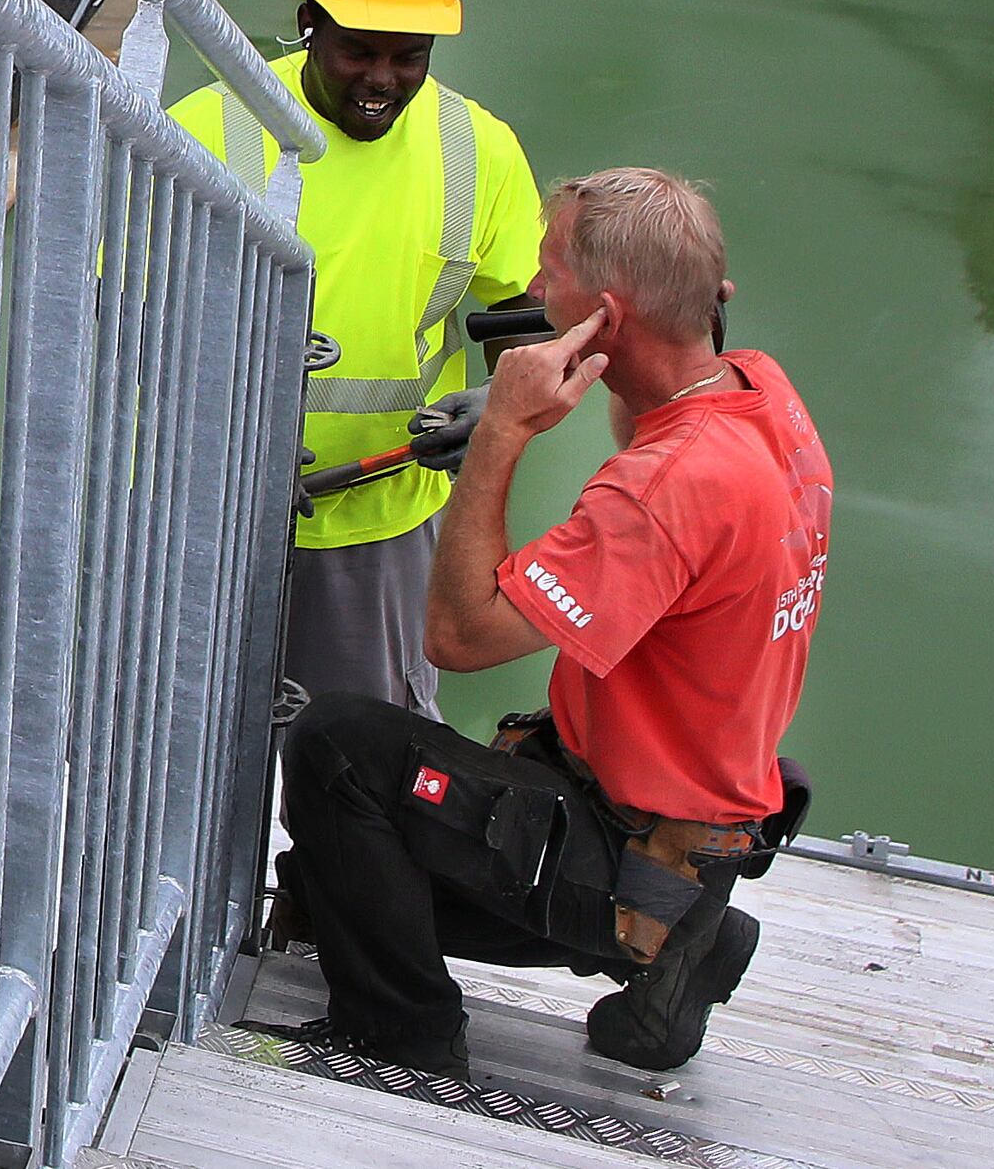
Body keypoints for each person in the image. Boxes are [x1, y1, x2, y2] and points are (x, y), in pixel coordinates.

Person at [276, 167, 828, 1079]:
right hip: (702, 826)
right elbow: (653, 418)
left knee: (337, 746)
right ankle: (692, 931)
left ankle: (401, 1031)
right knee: (328, 883)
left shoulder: (663, 491)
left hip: (625, 841)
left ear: (606, 315)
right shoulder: (761, 399)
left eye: (549, 270)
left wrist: (501, 435)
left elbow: (457, 635)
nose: (533, 290)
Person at [175, 0, 543, 713]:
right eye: (359, 52)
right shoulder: (205, 133)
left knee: (356, 785)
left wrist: (502, 403)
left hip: (378, 533)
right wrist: (222, 443)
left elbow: (526, 314)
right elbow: (118, 317)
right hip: (202, 525)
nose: (382, 79)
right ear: (309, 22)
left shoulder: (476, 151)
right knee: (175, 760)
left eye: (408, 55)